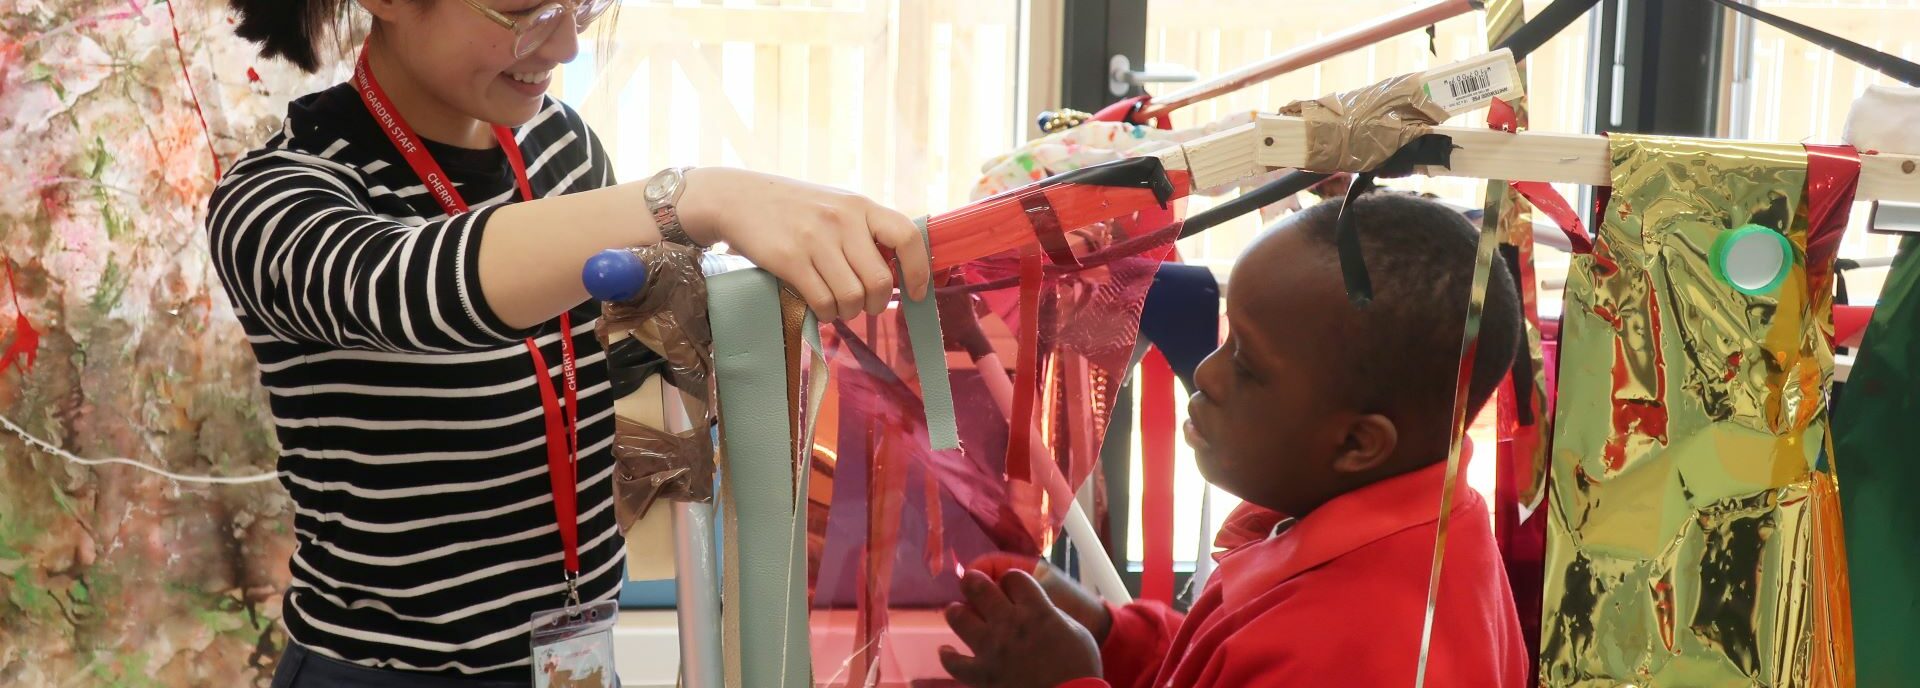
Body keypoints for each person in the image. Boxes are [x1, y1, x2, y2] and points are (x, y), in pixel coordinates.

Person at [211, 0, 929, 685]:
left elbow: (588, 369)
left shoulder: (561, 147)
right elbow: (411, 287)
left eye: (580, 7)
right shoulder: (277, 197)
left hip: (578, 657)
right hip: (386, 673)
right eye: (523, 12)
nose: (565, 48)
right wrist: (696, 199)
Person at [937, 192, 1530, 688]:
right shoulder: (1392, 519)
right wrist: (1107, 635)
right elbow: (1227, 662)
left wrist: (1066, 681)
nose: (1207, 374)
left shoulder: (1353, 646)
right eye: (1227, 340)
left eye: (1247, 366)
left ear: (1356, 443)